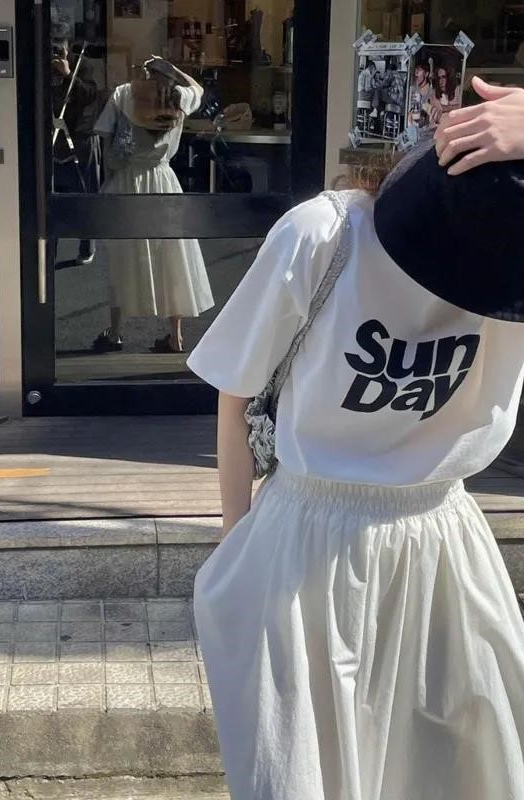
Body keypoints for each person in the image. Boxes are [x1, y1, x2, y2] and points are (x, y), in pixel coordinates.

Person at [186, 80, 524, 800]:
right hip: (308, 540)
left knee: (455, 772)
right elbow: (236, 389)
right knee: (305, 772)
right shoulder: (323, 234)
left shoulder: (513, 253)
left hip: (443, 539)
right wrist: (237, 541)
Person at [92, 57, 214, 354]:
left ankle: (115, 332)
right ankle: (175, 336)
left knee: (122, 258)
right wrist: (173, 68)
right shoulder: (180, 96)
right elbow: (197, 88)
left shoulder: (123, 94)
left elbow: (105, 140)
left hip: (127, 180)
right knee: (172, 257)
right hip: (163, 179)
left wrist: (106, 180)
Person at [51, 27, 101, 266]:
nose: (55, 52)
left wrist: (69, 74)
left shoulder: (84, 64)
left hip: (80, 137)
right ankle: (49, 248)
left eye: (59, 47)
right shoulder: (41, 66)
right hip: (53, 137)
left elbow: (90, 95)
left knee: (86, 194)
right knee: (51, 196)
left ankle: (87, 245)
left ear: (68, 46)